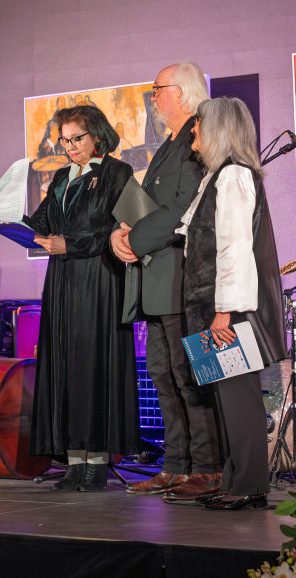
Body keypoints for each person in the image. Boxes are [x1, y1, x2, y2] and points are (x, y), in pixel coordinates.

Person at [110, 62, 224, 504]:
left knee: (189, 374)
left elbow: (183, 207)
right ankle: (176, 466)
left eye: (158, 89)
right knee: (162, 374)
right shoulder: (167, 146)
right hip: (156, 279)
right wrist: (119, 232)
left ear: (182, 92)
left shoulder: (198, 139)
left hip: (181, 277)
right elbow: (146, 204)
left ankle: (207, 468)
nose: (152, 97)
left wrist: (135, 240)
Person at [178, 97, 287, 511]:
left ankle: (249, 484)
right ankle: (237, 480)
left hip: (228, 310)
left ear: (218, 128)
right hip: (217, 307)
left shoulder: (234, 175)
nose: (193, 130)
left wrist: (224, 312)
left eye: (198, 123)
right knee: (226, 397)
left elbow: (235, 248)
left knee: (239, 397)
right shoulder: (218, 176)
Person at [27, 104, 140, 492]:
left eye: (77, 138)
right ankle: (74, 460)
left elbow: (119, 231)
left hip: (99, 279)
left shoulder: (117, 172)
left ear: (98, 136)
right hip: (62, 280)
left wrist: (70, 245)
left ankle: (98, 462)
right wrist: (8, 215)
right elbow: (41, 223)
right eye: (64, 140)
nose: (70, 146)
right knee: (65, 365)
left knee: (94, 366)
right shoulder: (61, 177)